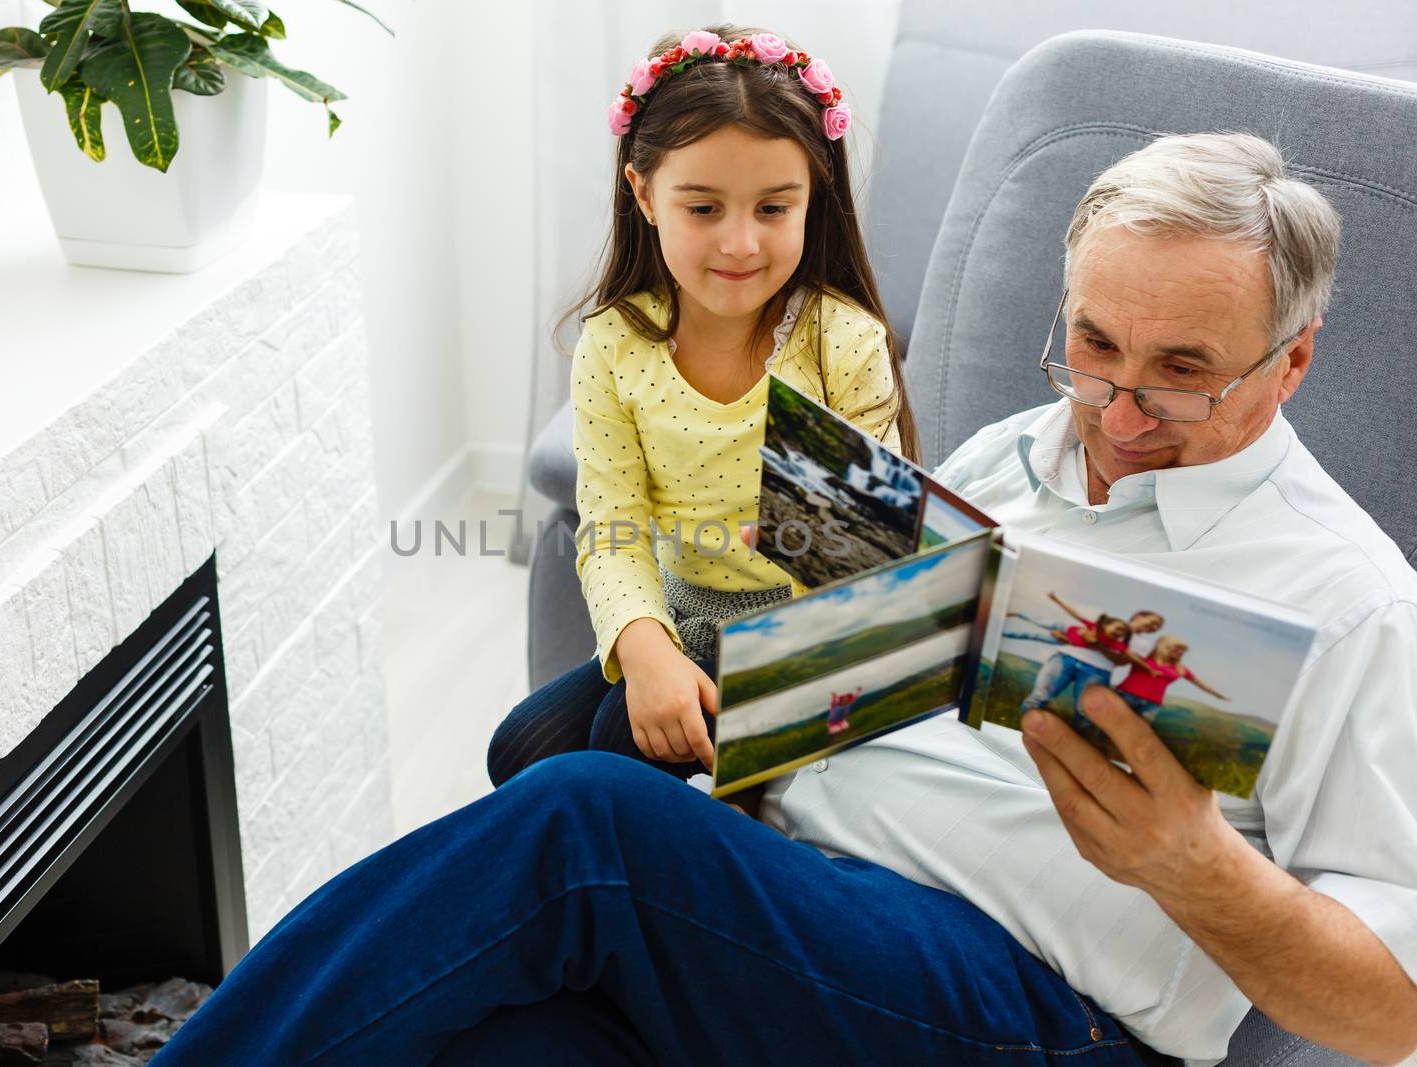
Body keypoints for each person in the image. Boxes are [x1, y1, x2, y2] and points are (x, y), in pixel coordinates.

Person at [155, 136, 1417, 1065]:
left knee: (579, 823)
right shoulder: (1017, 453)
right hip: (800, 898)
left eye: (1181, 373)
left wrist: (1191, 863)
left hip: (1027, 1005)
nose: (1118, 412)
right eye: (1092, 347)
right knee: (504, 988)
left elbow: (1393, 1010)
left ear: (1291, 358)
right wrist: (781, 639)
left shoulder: (1348, 604)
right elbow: (872, 667)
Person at [485, 25, 914, 788]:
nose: (741, 243)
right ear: (645, 194)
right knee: (519, 749)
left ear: (815, 198)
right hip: (683, 618)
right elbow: (610, 526)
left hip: (802, 642)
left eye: (774, 209)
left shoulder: (840, 344)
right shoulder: (615, 344)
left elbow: (859, 564)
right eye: (705, 208)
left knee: (622, 749)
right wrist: (649, 651)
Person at [1115, 636, 1228, 721]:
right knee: (1112, 723)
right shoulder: (1145, 656)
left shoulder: (1180, 668)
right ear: (1165, 645)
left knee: (1137, 732)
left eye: (1182, 651)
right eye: (1177, 648)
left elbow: (1199, 683)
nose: (1180, 652)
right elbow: (1122, 653)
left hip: (1152, 704)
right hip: (1128, 695)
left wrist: (1218, 695)